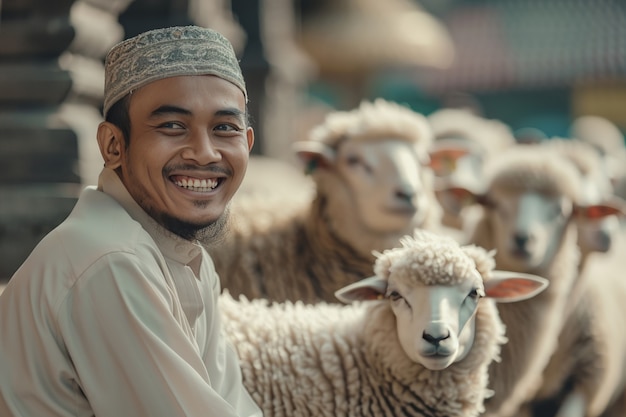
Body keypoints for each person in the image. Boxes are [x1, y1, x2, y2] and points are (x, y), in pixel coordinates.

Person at [0, 25, 262, 417]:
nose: (205, 154)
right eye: (172, 126)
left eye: (225, 128)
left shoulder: (188, 258)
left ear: (248, 143)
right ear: (113, 145)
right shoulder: (109, 261)